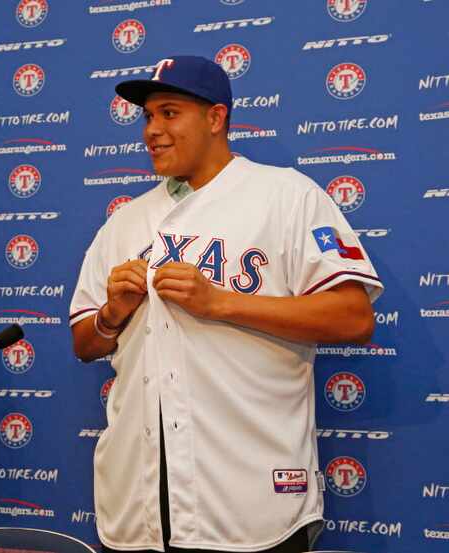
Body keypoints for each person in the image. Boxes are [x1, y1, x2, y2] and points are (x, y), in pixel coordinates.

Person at [69, 55, 382, 553]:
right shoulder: (125, 221)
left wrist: (221, 302)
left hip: (251, 493)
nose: (153, 130)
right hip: (141, 497)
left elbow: (354, 316)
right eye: (148, 116)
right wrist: (112, 313)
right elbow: (85, 342)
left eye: (170, 113)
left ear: (216, 118)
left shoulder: (288, 196)